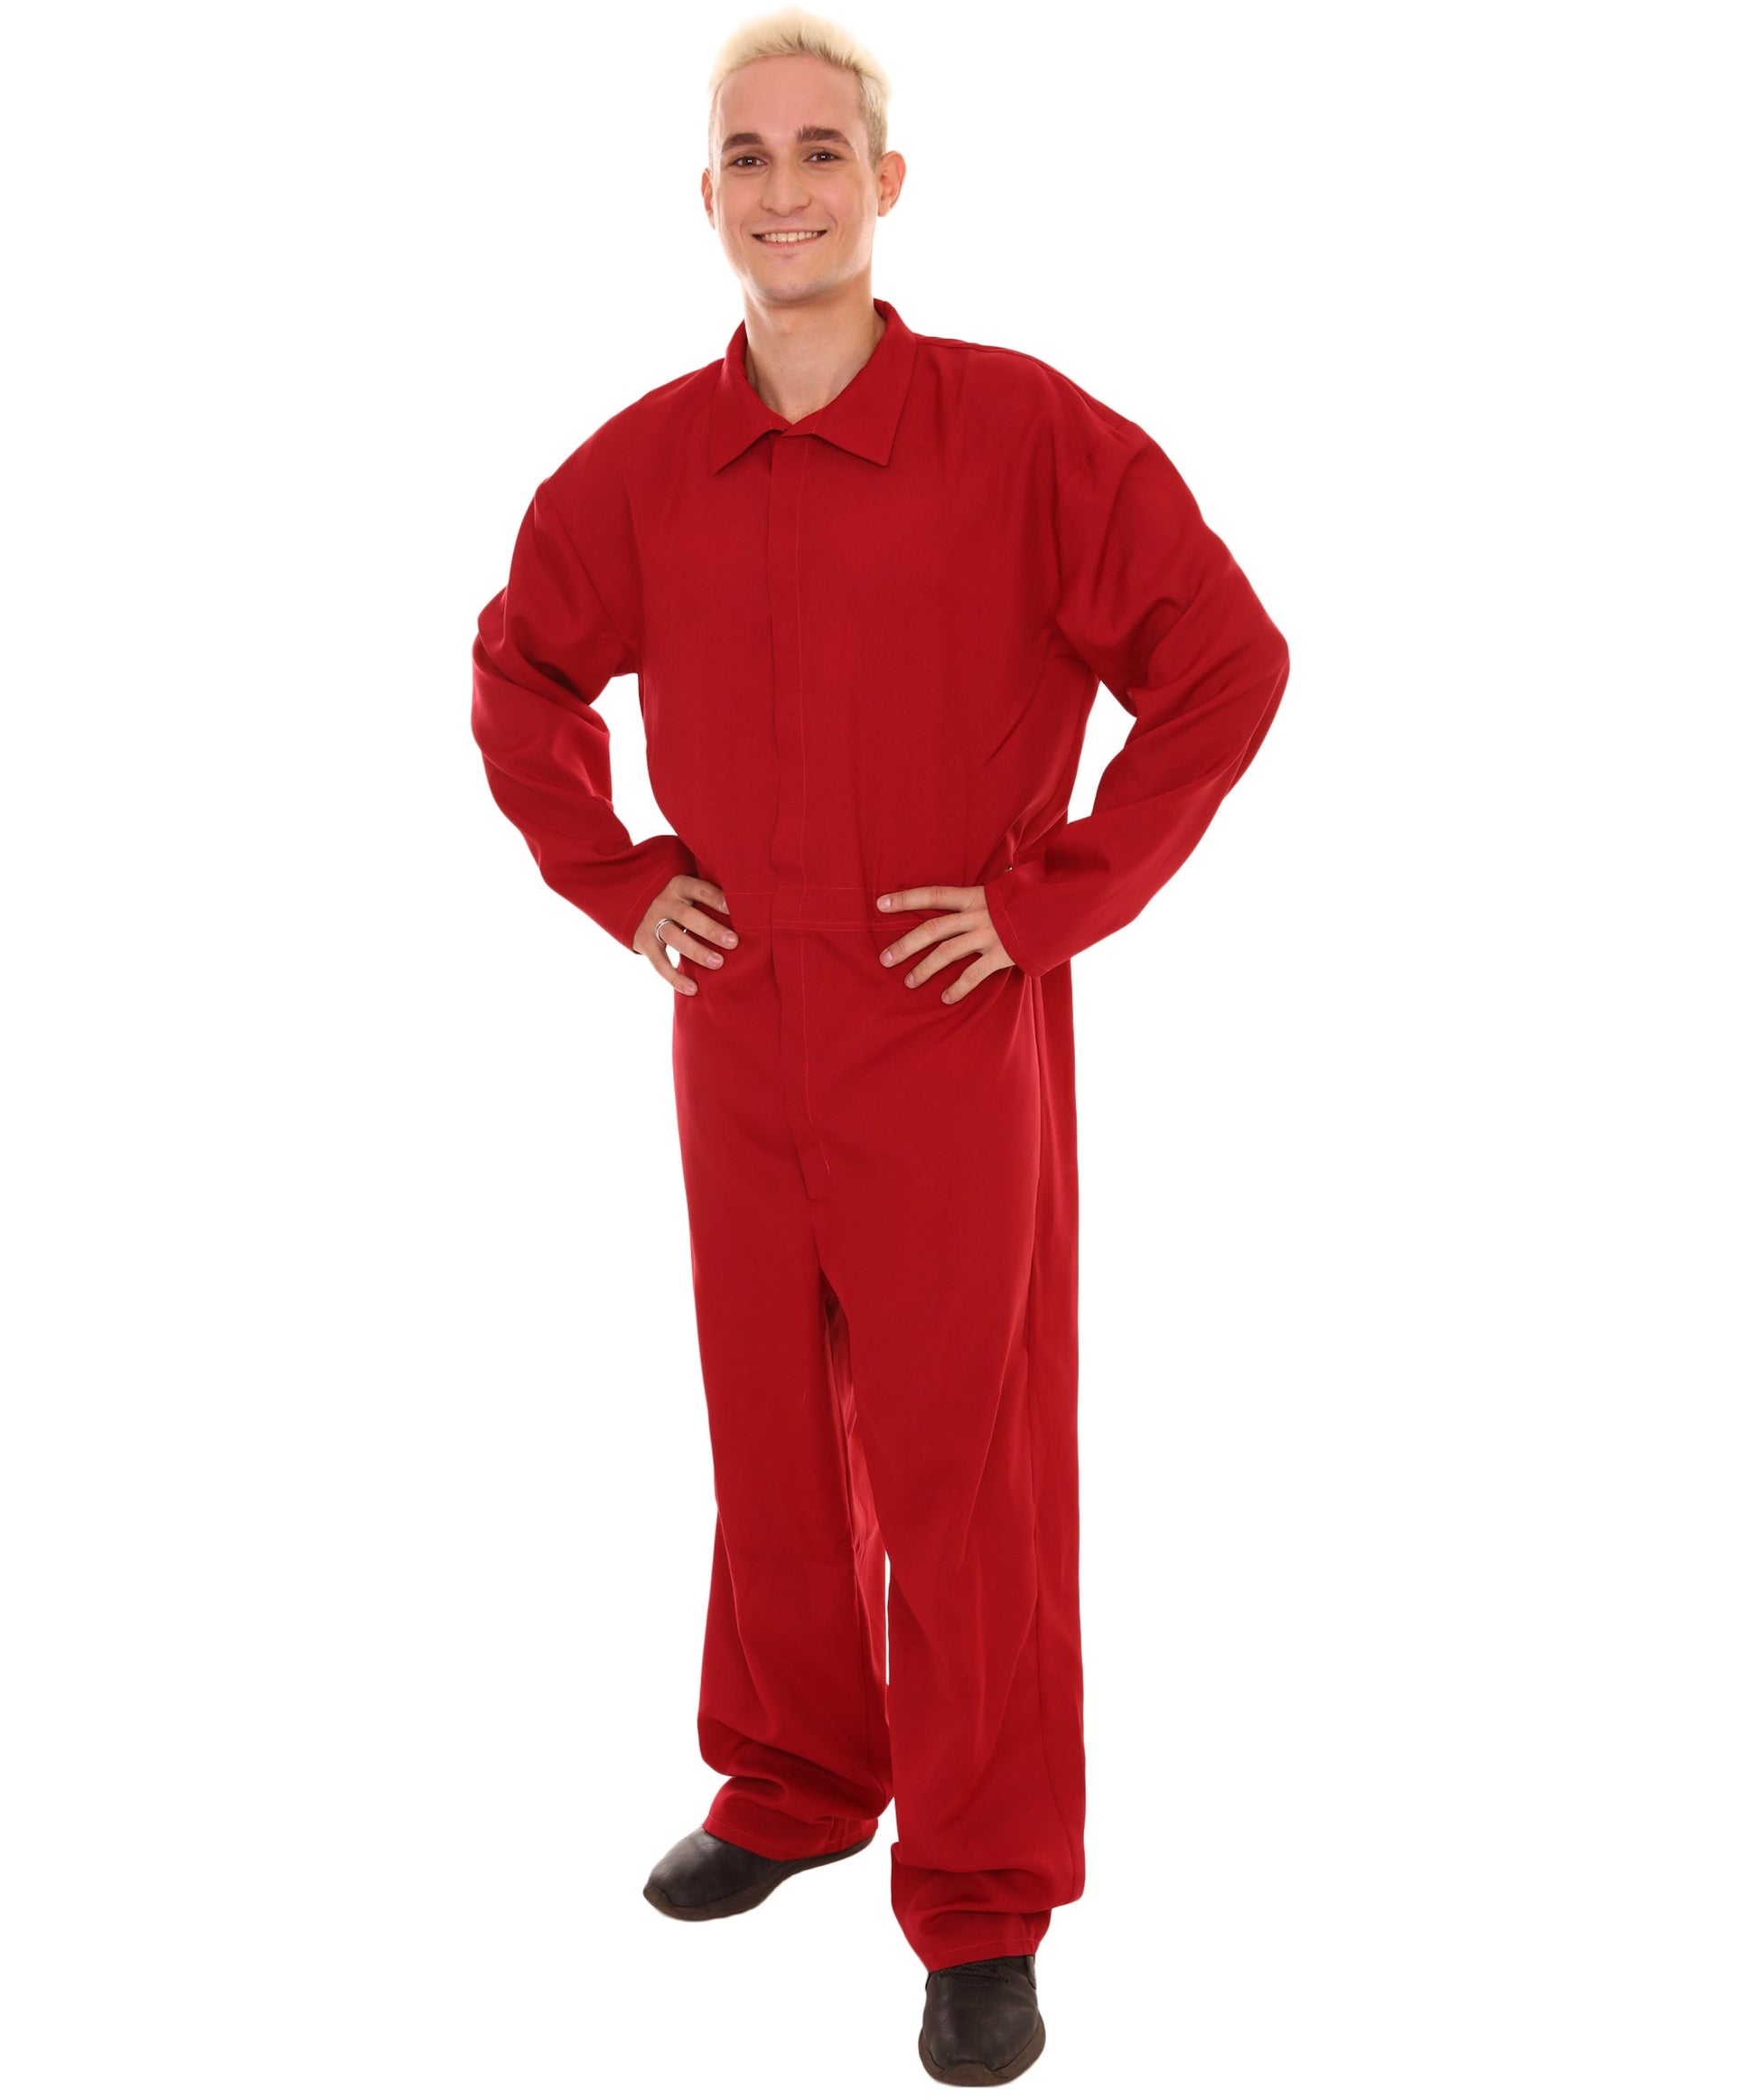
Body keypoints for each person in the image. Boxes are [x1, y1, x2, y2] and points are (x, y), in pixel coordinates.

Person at [470, 8, 1290, 2084]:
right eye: (747, 158)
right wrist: (618, 875)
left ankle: (986, 1895)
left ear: (887, 184)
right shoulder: (641, 468)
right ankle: (795, 1775)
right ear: (707, 200)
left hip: (945, 1019)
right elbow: (521, 665)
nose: (786, 190)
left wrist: (1047, 899)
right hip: (737, 1017)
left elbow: (1222, 657)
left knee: (966, 1465)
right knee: (766, 1424)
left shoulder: (1022, 437)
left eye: (821, 150)